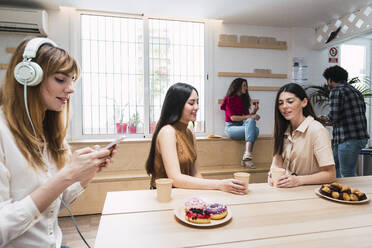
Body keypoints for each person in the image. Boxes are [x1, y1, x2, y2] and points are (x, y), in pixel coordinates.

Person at [0, 37, 117, 248]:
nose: (71, 89)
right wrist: (66, 175)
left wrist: (86, 173)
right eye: (61, 79)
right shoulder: (2, 132)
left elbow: (56, 204)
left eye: (73, 80)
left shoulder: (47, 131)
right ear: (28, 77)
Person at [145, 82, 246, 195]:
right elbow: (176, 178)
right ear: (177, 105)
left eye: (197, 102)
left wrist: (208, 196)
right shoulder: (168, 131)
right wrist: (219, 184)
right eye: (191, 103)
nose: (197, 107)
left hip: (182, 194)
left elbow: (196, 174)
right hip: (164, 196)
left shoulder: (190, 133)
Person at [268, 83, 336, 188]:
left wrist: (299, 180)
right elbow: (277, 162)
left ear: (304, 102)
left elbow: (330, 175)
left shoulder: (317, 130)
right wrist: (272, 174)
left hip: (311, 193)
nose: (284, 106)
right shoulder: (284, 130)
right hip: (290, 191)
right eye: (280, 103)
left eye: (290, 102)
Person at [320, 65, 369, 177]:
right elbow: (348, 115)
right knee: (334, 168)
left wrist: (322, 119)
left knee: (347, 172)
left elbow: (334, 116)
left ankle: (355, 194)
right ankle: (335, 192)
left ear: (330, 79)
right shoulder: (355, 91)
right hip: (357, 137)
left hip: (348, 139)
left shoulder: (336, 91)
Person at [220, 78, 260, 168]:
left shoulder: (243, 100)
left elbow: (248, 119)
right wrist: (251, 116)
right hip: (231, 129)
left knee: (256, 130)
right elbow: (233, 118)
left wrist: (254, 111)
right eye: (244, 85)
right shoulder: (229, 99)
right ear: (237, 87)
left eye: (246, 86)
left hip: (241, 127)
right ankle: (248, 156)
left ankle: (246, 156)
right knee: (254, 130)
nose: (246, 88)